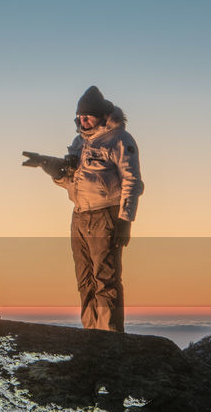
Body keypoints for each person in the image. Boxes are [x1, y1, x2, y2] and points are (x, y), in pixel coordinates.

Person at [24, 86, 144, 332]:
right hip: (80, 215)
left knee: (105, 279)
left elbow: (132, 181)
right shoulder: (80, 142)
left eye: (88, 116)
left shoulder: (119, 139)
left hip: (106, 215)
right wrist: (48, 165)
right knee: (85, 279)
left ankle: (109, 335)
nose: (83, 120)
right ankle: (91, 333)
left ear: (101, 115)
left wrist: (125, 219)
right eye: (80, 116)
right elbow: (73, 179)